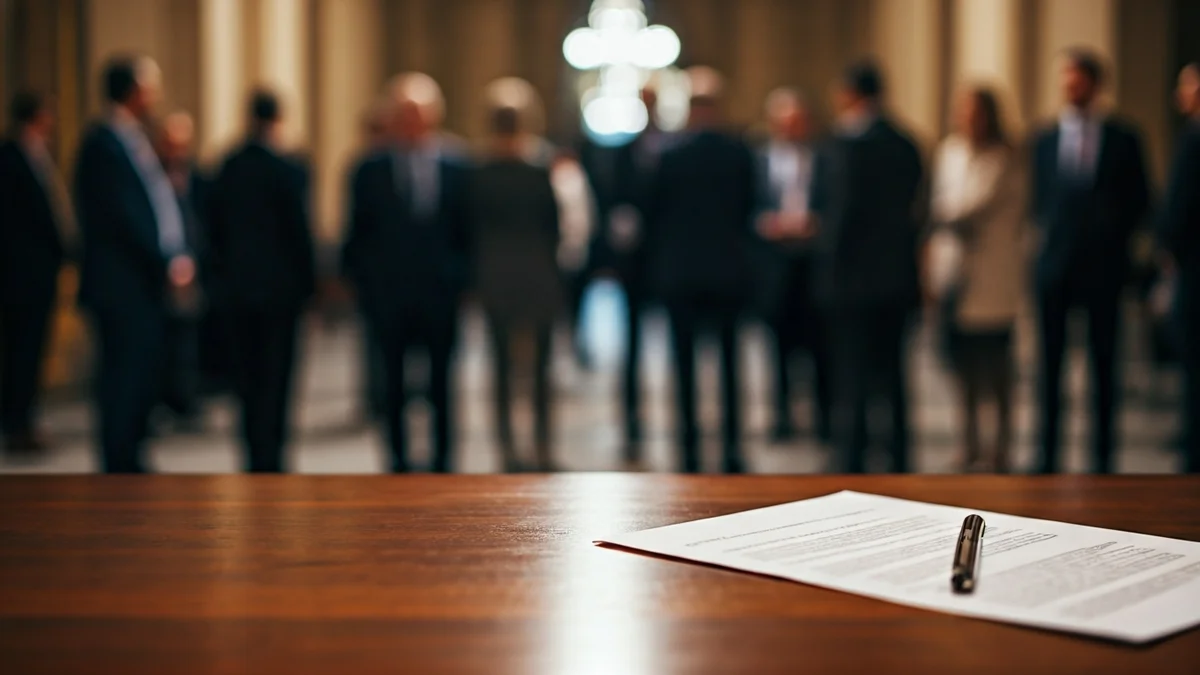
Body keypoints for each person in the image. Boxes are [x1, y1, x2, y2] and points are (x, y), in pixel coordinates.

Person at [1030, 48, 1150, 474]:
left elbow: (1140, 201)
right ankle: (1046, 458)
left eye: (1078, 78)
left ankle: (1102, 460)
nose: (1070, 86)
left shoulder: (1123, 138)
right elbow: (1036, 200)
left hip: (1104, 270)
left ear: (1096, 84)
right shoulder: (1044, 139)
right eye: (1065, 78)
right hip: (1054, 270)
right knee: (1049, 368)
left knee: (1104, 367)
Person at [74, 56, 195, 473]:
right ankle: (119, 463)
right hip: (120, 285)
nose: (157, 96)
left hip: (140, 283)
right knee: (121, 377)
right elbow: (124, 216)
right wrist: (165, 257)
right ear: (134, 91)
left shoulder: (132, 138)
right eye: (152, 86)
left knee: (140, 373)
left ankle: (132, 456)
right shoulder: (103, 143)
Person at [343, 77, 469, 474]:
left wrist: (461, 280)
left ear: (434, 116)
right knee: (392, 383)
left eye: (419, 114)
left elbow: (466, 231)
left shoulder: (457, 165)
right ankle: (397, 461)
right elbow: (357, 233)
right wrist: (363, 287)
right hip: (389, 294)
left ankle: (443, 461)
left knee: (441, 383)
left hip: (440, 293)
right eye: (404, 115)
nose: (412, 123)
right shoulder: (368, 168)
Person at [809, 60, 924, 474]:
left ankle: (852, 457)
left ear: (850, 94)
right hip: (895, 278)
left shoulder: (842, 146)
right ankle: (899, 455)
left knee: (853, 375)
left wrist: (826, 273)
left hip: (852, 282)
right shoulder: (906, 143)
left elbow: (838, 216)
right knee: (893, 375)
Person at [646, 67, 756, 474]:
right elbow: (749, 209)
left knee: (685, 366)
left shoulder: (671, 156)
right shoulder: (739, 153)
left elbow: (653, 214)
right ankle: (731, 449)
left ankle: (688, 449)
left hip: (682, 274)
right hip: (728, 271)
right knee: (729, 365)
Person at [207, 91, 316, 473]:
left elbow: (213, 230)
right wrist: (310, 286)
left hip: (237, 291)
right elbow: (299, 232)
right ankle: (274, 455)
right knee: (277, 377)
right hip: (280, 293)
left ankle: (252, 453)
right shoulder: (288, 167)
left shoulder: (228, 165)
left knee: (247, 379)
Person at [930, 86, 1026, 473]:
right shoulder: (949, 152)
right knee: (962, 367)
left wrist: (940, 214)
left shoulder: (1005, 158)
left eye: (973, 111)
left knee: (997, 368)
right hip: (954, 274)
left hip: (992, 278)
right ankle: (967, 442)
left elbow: (968, 207)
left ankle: (1000, 446)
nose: (966, 118)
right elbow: (940, 203)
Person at [467, 106, 564, 472]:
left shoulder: (477, 173)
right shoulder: (538, 172)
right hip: (538, 276)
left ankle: (507, 448)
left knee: (502, 367)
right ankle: (541, 446)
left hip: (494, 278)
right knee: (539, 369)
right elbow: (553, 227)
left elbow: (469, 231)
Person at [753, 87, 832, 444]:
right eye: (785, 123)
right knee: (778, 347)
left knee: (819, 346)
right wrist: (764, 222)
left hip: (813, 262)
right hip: (775, 264)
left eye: (797, 122)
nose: (791, 129)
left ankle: (824, 418)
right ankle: (783, 415)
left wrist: (817, 223)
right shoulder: (760, 159)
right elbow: (748, 204)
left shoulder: (824, 158)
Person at [0, 91, 68, 455]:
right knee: (20, 348)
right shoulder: (10, 157)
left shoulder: (38, 155)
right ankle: (16, 421)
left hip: (39, 273)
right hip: (20, 275)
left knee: (32, 347)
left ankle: (23, 416)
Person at [153, 111, 206, 431]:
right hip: (160, 269)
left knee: (187, 338)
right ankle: (162, 399)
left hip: (189, 265)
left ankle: (185, 397)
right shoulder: (152, 173)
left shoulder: (194, 174)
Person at [1159, 62, 1200, 473]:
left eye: (1186, 87)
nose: (1180, 95)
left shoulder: (1193, 139)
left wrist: (1165, 249)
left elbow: (1176, 212)